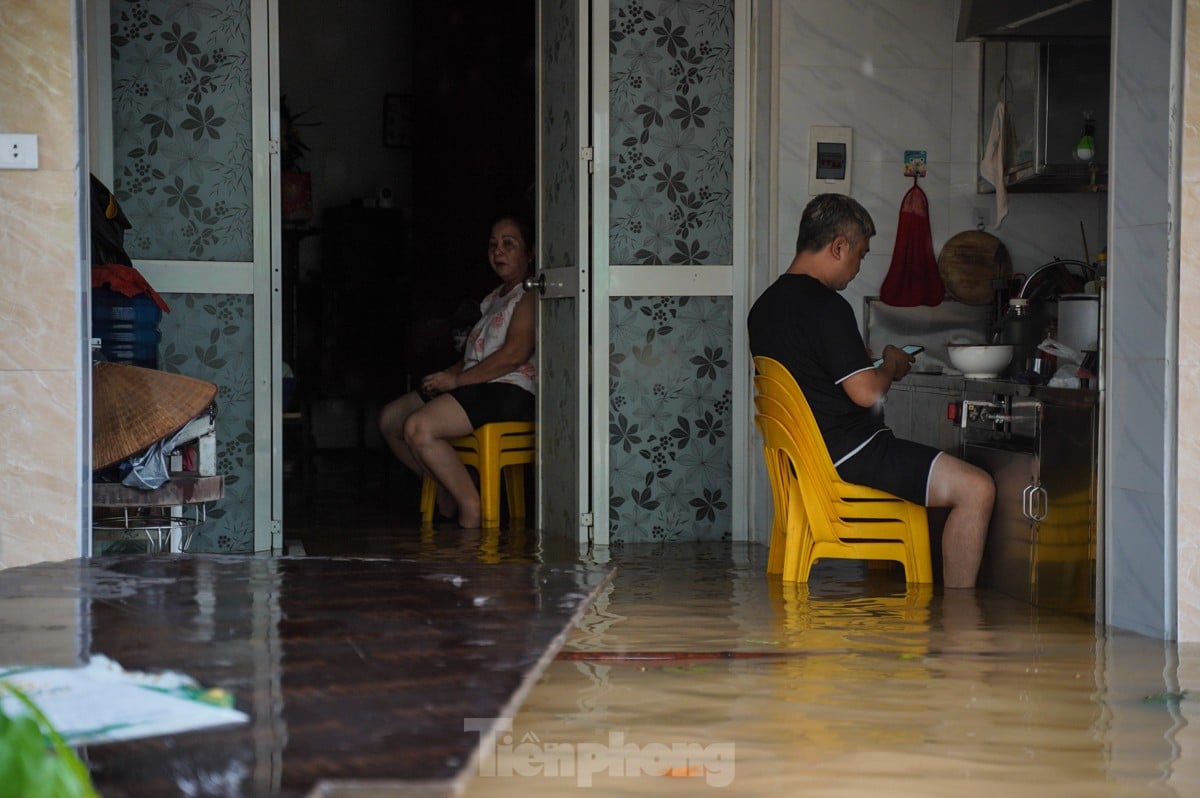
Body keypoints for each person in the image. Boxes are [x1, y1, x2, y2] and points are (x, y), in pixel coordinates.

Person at [747, 194, 994, 588]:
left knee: (950, 479)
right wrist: (892, 365)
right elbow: (865, 394)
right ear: (838, 246)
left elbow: (813, 373)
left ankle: (918, 590)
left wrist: (859, 361)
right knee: (977, 488)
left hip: (809, 460)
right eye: (859, 255)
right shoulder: (827, 306)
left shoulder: (764, 308)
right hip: (853, 454)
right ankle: (961, 622)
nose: (857, 267)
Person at [380, 215, 536, 528]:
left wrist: (457, 380)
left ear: (529, 253)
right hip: (477, 383)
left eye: (509, 244)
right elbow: (474, 357)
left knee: (418, 428)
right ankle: (446, 488)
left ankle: (471, 508)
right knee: (391, 419)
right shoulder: (493, 298)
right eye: (493, 245)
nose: (498, 251)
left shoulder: (528, 296)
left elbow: (513, 356)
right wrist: (445, 376)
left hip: (507, 390)